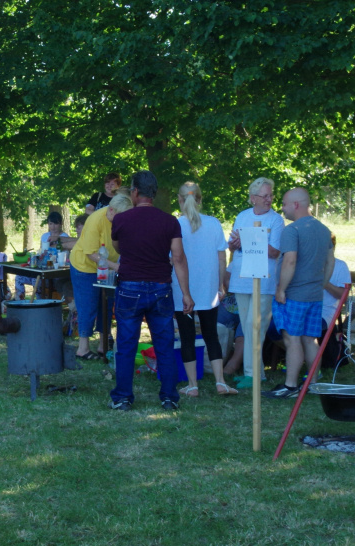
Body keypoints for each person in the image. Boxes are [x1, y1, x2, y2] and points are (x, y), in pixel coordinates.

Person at [109, 170, 193, 411]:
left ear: (135, 192)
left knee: (126, 345)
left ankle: (122, 398)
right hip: (160, 288)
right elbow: (178, 258)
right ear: (153, 193)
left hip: (129, 288)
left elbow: (118, 248)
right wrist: (186, 293)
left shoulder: (121, 220)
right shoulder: (170, 221)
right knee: (164, 345)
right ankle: (169, 397)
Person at [264, 188, 334, 398]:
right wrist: (321, 284)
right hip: (314, 295)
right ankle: (313, 383)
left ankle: (290, 386)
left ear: (296, 204)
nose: (282, 208)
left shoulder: (292, 230)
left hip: (293, 295)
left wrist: (281, 289)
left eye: (284, 204)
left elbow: (290, 260)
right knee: (310, 339)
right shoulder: (324, 229)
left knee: (292, 339)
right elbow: (330, 262)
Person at [171, 182, 236, 397]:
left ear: (180, 200)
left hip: (182, 287)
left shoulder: (174, 224)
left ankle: (192, 386)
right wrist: (220, 284)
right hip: (208, 287)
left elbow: (172, 259)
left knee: (186, 337)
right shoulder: (214, 223)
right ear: (200, 200)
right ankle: (220, 382)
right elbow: (221, 257)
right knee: (211, 335)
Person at [227, 177, 285, 390]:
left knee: (255, 325)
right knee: (246, 325)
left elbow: (275, 251)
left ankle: (252, 374)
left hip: (264, 279)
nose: (269, 199)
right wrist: (234, 244)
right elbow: (232, 246)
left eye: (271, 195)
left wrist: (250, 240)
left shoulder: (276, 220)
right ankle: (256, 372)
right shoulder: (242, 216)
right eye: (265, 196)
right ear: (253, 198)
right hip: (241, 277)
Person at [70, 192, 132, 359]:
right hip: (85, 266)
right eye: (119, 216)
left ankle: (103, 344)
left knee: (106, 304)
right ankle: (83, 348)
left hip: (107, 267)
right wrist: (116, 266)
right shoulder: (95, 220)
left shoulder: (121, 217)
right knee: (87, 305)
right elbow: (91, 253)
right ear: (111, 210)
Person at [14, 212, 70, 300]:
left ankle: (40, 301)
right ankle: (19, 300)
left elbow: (65, 256)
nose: (53, 227)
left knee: (36, 279)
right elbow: (41, 252)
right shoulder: (45, 236)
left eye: (56, 224)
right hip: (43, 268)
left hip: (55, 273)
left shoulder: (64, 237)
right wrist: (39, 256)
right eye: (50, 224)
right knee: (19, 277)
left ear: (60, 224)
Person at [322, 233, 351, 331]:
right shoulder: (308, 264)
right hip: (304, 309)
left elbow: (343, 296)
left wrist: (324, 282)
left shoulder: (340, 266)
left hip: (324, 312)